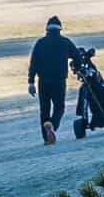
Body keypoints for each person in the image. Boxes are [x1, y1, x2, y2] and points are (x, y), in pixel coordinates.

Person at [28, 15, 76, 144]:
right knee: (59, 107)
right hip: (59, 81)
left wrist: (31, 82)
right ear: (60, 29)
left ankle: (46, 137)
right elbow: (77, 57)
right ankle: (52, 126)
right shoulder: (65, 42)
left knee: (44, 109)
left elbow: (33, 63)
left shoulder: (40, 43)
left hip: (43, 81)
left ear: (47, 29)